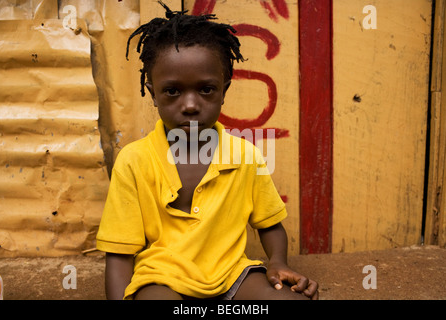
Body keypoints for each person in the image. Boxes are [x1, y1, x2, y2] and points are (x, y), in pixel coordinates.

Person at [96, 1, 318, 300]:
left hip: (232, 275)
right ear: (153, 94)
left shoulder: (244, 156)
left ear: (223, 91)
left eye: (205, 89)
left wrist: (277, 262)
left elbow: (270, 225)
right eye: (173, 91)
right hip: (163, 279)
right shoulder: (134, 161)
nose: (190, 105)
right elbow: (120, 253)